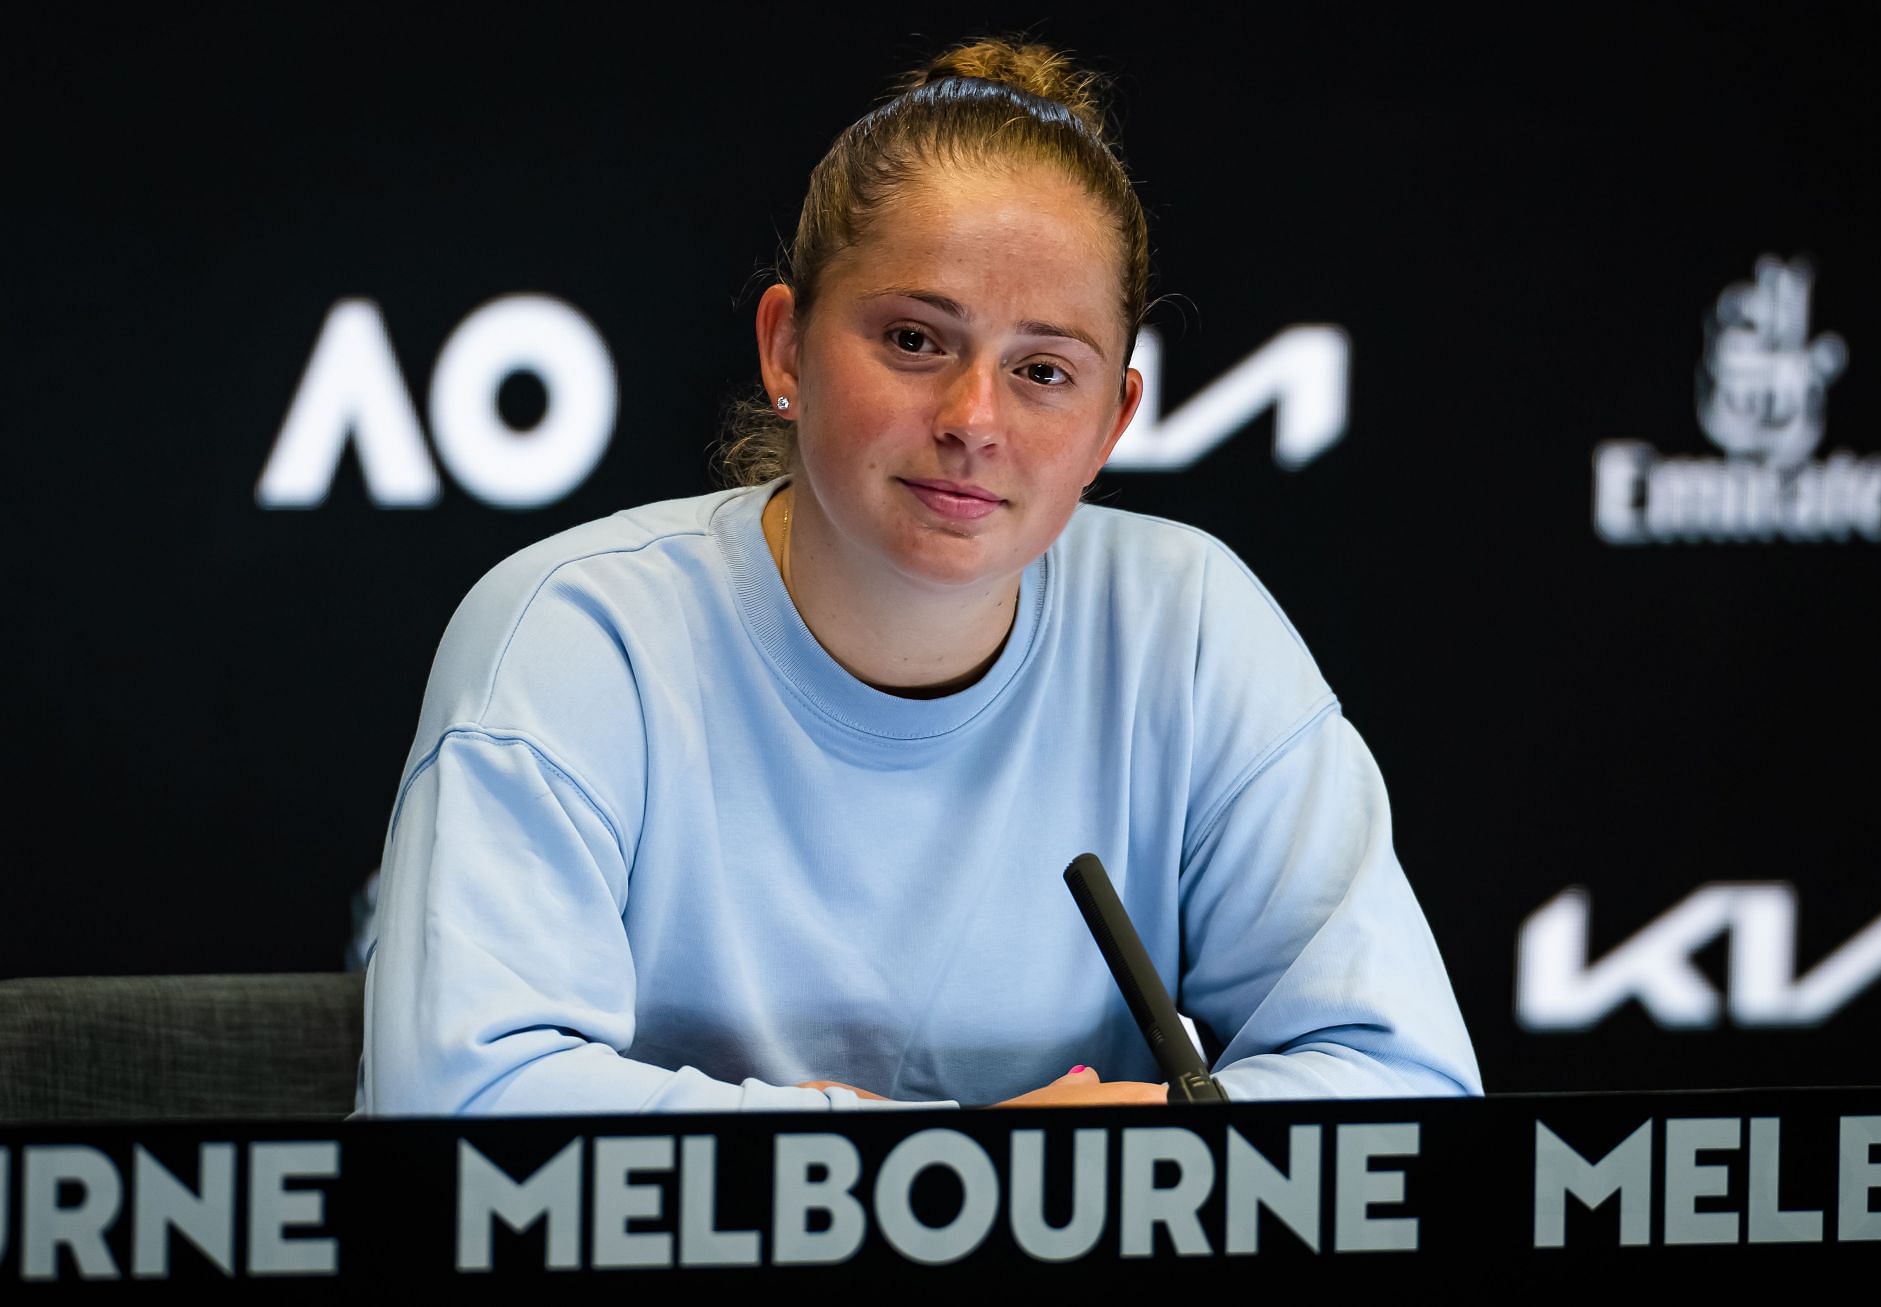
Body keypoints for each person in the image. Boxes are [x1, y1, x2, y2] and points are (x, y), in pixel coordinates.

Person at [355, 38, 1482, 1115]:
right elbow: (461, 1104)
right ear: (785, 344)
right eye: (913, 341)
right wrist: (962, 1169)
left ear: (1113, 424)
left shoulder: (1187, 627)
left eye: (1044, 370)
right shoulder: (572, 636)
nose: (972, 421)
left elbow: (1411, 1085)